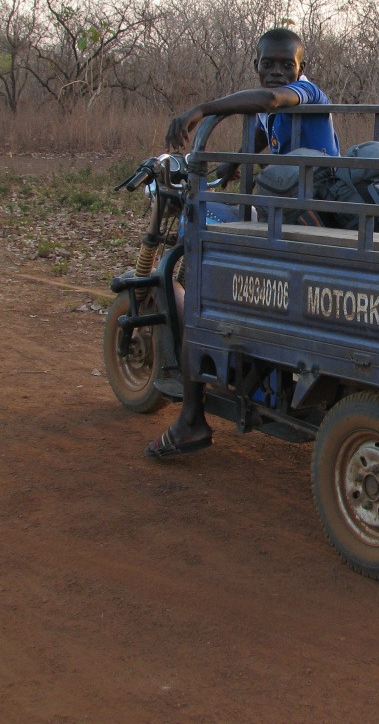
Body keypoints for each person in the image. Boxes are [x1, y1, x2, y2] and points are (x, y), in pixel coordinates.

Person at [145, 27, 339, 459]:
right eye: (267, 63)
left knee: (199, 249)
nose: (275, 71)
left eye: (284, 64)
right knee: (214, 222)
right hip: (287, 213)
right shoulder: (270, 115)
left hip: (306, 217)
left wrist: (202, 110)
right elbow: (252, 145)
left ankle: (191, 418)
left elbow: (270, 101)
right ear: (255, 65)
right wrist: (223, 171)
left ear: (300, 68)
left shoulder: (305, 93)